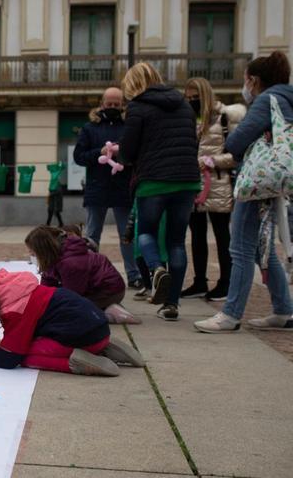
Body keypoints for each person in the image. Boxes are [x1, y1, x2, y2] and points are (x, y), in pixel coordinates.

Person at [194, 51, 293, 333]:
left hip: (257, 182)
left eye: (246, 80)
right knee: (264, 248)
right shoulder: (288, 99)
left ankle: (231, 314)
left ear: (254, 80)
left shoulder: (266, 100)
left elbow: (236, 141)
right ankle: (284, 310)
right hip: (277, 179)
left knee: (240, 247)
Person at [119, 62, 199, 321]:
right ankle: (171, 304)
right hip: (187, 179)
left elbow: (128, 152)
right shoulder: (185, 105)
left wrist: (121, 154)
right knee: (177, 241)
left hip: (154, 179)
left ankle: (156, 269)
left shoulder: (138, 107)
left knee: (146, 232)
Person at [0, 269, 144, 375]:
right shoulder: (22, 291)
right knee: (25, 347)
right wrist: (5, 343)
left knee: (25, 357)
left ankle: (77, 363)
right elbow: (30, 331)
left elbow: (10, 358)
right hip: (98, 328)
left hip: (85, 337)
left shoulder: (15, 309)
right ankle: (106, 346)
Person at [179, 77, 245, 301]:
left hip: (218, 182)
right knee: (196, 234)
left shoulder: (225, 117)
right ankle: (200, 281)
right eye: (187, 98)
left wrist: (212, 161)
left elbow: (238, 154)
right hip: (192, 182)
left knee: (221, 234)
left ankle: (225, 282)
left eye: (195, 98)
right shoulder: (187, 119)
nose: (190, 102)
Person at [73, 87, 142, 289]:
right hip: (97, 189)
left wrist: (125, 156)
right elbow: (79, 157)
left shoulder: (129, 127)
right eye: (109, 104)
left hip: (123, 189)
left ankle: (133, 274)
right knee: (92, 235)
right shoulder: (89, 128)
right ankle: (89, 274)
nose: (112, 107)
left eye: (116, 104)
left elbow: (137, 155)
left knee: (126, 236)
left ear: (122, 105)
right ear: (102, 103)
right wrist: (99, 153)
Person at [25, 226, 139, 324]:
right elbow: (48, 283)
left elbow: (73, 296)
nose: (31, 254)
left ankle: (109, 314)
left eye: (33, 251)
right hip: (93, 289)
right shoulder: (56, 256)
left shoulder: (71, 263)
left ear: (43, 250)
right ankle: (102, 308)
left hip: (109, 292)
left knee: (66, 315)